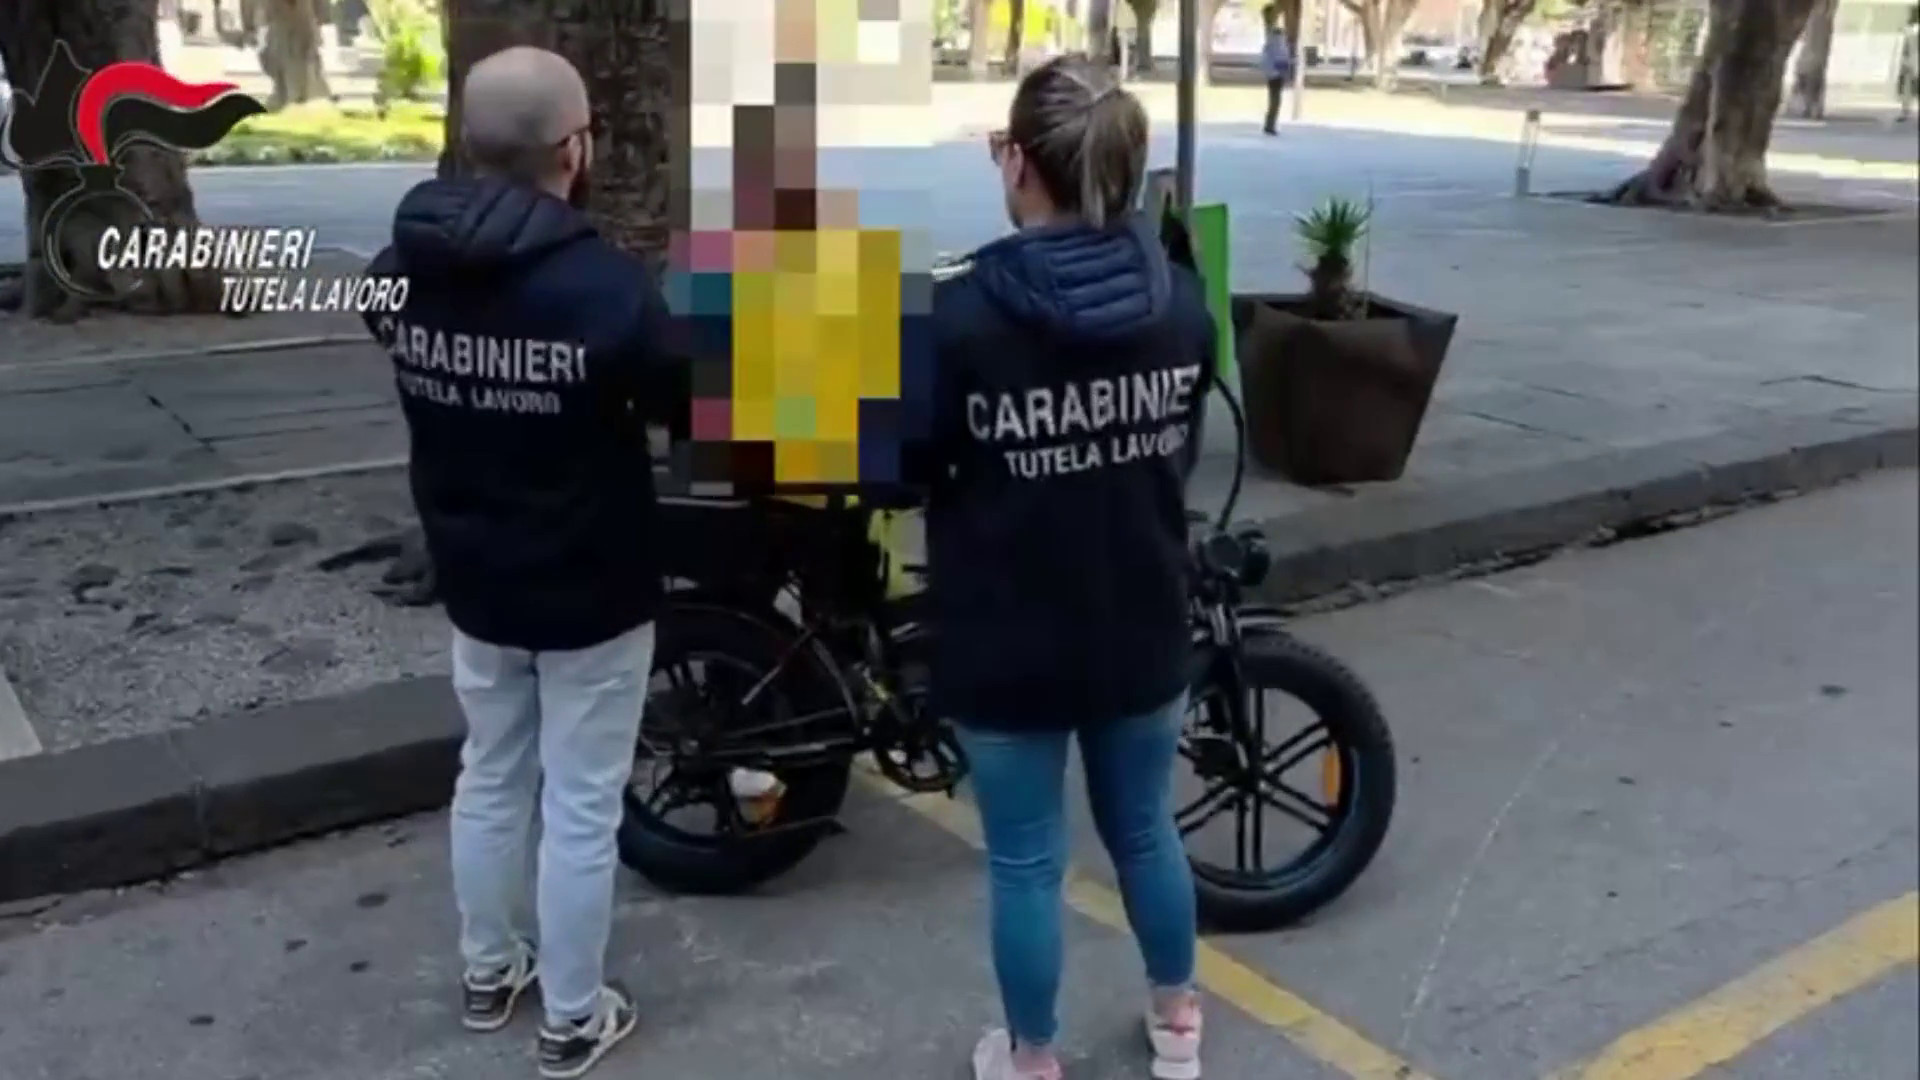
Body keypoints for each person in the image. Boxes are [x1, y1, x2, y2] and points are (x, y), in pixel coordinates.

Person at [361, 46, 687, 1080]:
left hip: (475, 574)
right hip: (593, 583)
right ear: (574, 150)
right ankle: (574, 1017)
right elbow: (685, 401)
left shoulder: (401, 270)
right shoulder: (605, 288)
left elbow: (391, 328)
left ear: (469, 144)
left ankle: (488, 969)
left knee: (491, 774)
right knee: (582, 805)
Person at [927, 55, 1217, 1080]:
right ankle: (1178, 1020)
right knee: (1144, 829)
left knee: (1024, 860)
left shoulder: (960, 319)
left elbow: (908, 461)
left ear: (1019, 167)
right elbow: (1180, 448)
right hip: (1140, 617)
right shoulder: (1184, 305)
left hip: (1005, 635)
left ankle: (1033, 1059)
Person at [1260, 5, 1293, 135]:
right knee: (1275, 98)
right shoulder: (1271, 30)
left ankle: (1270, 123)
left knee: (1276, 98)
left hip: (1277, 66)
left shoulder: (1274, 30)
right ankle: (1270, 124)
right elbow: (1276, 50)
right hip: (1275, 68)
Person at [1898, 6, 1918, 122]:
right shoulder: (1909, 29)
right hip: (1909, 61)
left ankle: (1905, 111)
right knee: (1907, 87)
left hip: (1911, 61)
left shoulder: (1911, 30)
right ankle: (1905, 111)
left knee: (1909, 87)